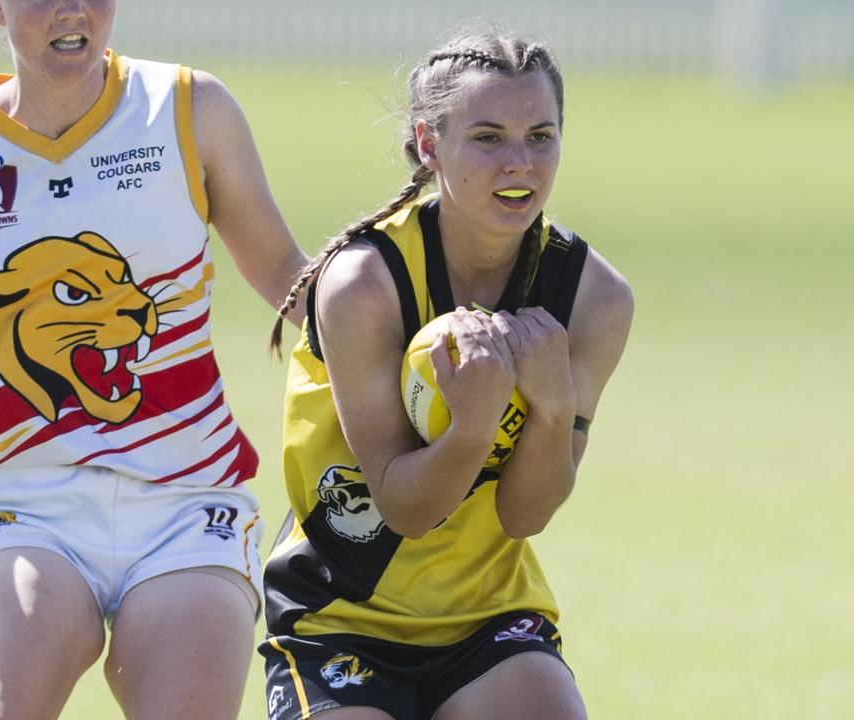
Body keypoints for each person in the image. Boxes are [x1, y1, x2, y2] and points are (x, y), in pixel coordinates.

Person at [0, 0, 307, 717]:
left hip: (189, 507)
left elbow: (287, 278)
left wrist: (406, 332)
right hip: (27, 509)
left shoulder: (188, 108)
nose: (73, 8)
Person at [261, 28, 634, 720]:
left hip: (489, 619)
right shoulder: (363, 285)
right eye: (488, 138)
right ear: (429, 143)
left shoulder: (595, 299)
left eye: (541, 136)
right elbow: (406, 508)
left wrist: (553, 410)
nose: (519, 163)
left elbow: (526, 515)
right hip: (341, 614)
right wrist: (472, 427)